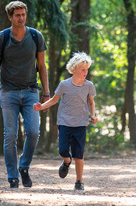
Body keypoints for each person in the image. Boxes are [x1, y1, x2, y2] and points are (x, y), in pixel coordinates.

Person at [0, 1, 49, 189]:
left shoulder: (36, 36)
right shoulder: (2, 38)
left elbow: (42, 66)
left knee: (33, 132)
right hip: (8, 92)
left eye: (23, 14)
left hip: (31, 92)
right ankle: (12, 176)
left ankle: (24, 166)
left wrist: (46, 92)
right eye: (17, 15)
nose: (21, 18)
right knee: (11, 135)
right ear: (10, 17)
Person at [33, 52, 97, 191]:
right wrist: (41, 106)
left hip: (80, 124)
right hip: (64, 122)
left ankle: (79, 181)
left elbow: (91, 103)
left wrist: (93, 115)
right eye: (83, 69)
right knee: (63, 150)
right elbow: (54, 100)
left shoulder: (89, 86)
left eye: (87, 69)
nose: (86, 72)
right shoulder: (64, 85)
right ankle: (67, 162)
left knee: (79, 155)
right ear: (74, 69)